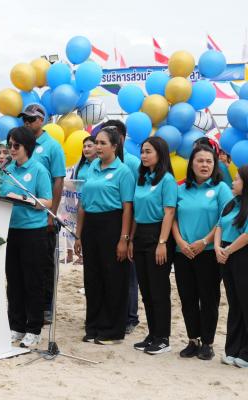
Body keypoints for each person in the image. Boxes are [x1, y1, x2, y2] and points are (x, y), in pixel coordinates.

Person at [0, 126, 52, 348]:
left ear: (28, 146)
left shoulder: (38, 169)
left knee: (32, 281)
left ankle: (34, 328)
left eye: (16, 145)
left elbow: (47, 201)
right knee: (14, 280)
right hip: (10, 229)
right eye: (9, 145)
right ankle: (16, 326)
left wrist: (24, 199)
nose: (12, 149)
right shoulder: (6, 170)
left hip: (33, 231)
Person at [74, 127, 134, 344]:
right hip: (91, 225)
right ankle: (94, 326)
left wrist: (124, 239)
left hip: (112, 224)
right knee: (92, 278)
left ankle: (112, 330)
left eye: (102, 143)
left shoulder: (123, 172)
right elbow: (83, 203)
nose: (97, 147)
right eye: (96, 143)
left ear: (115, 146)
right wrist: (78, 235)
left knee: (113, 278)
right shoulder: (91, 167)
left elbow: (128, 208)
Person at [172, 145, 233, 360]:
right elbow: (172, 218)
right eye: (200, 161)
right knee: (187, 298)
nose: (204, 165)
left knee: (208, 299)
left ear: (214, 164)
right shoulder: (181, 189)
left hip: (208, 252)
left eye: (209, 161)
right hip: (183, 252)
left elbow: (225, 220)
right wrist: (180, 242)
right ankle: (193, 340)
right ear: (192, 164)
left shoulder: (221, 189)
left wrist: (205, 241)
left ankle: (207, 343)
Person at [129, 136, 177, 355]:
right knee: (146, 289)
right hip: (140, 235)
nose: (144, 155)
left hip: (158, 234)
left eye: (148, 151)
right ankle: (152, 333)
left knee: (159, 289)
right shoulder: (142, 178)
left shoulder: (167, 180)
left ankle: (163, 337)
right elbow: (136, 213)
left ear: (160, 153)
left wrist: (162, 243)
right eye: (142, 151)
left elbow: (169, 212)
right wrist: (131, 239)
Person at [20, 104, 66, 323]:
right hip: (22, 215)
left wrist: (51, 213)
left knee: (44, 264)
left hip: (43, 214)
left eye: (31, 119)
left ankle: (46, 306)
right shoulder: (21, 145)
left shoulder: (52, 146)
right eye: (24, 119)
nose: (27, 123)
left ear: (42, 120)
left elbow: (58, 181)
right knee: (24, 264)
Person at [101, 120, 141, 334]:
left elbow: (135, 199)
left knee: (129, 273)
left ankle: (130, 317)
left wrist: (129, 235)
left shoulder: (132, 163)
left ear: (122, 139)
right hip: (107, 224)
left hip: (129, 221)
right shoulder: (99, 163)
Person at [214, 165, 248, 368]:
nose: (233, 182)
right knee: (234, 303)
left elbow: (246, 235)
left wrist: (227, 251)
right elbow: (219, 225)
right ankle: (233, 349)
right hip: (225, 253)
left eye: (236, 179)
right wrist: (218, 247)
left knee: (245, 302)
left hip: (241, 254)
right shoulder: (231, 202)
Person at [64, 136, 97, 265]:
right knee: (80, 229)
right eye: (84, 146)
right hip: (80, 203)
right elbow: (74, 183)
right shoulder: (80, 164)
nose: (86, 149)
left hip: (95, 204)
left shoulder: (101, 164)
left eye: (89, 146)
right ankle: (82, 255)